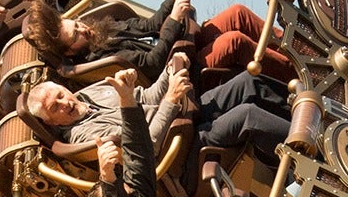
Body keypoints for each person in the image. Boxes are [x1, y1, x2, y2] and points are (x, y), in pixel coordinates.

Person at [82, 70, 316, 197]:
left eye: (131, 196)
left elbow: (138, 156)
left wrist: (127, 101)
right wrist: (107, 178)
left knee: (312, 186)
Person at [26, 55, 292, 164]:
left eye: (61, 95)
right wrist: (171, 99)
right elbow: (147, 145)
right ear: (53, 122)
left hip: (184, 114)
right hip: (177, 148)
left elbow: (148, 95)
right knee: (247, 115)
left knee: (248, 81)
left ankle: (308, 108)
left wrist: (169, 69)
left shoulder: (89, 92)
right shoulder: (83, 137)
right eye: (56, 107)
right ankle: (308, 147)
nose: (65, 103)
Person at [21, 0, 190, 82]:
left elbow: (148, 25)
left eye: (77, 25)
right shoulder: (103, 60)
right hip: (177, 64)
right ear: (69, 51)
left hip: (181, 39)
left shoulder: (103, 28)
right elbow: (152, 63)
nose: (83, 30)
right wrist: (174, 19)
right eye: (75, 35)